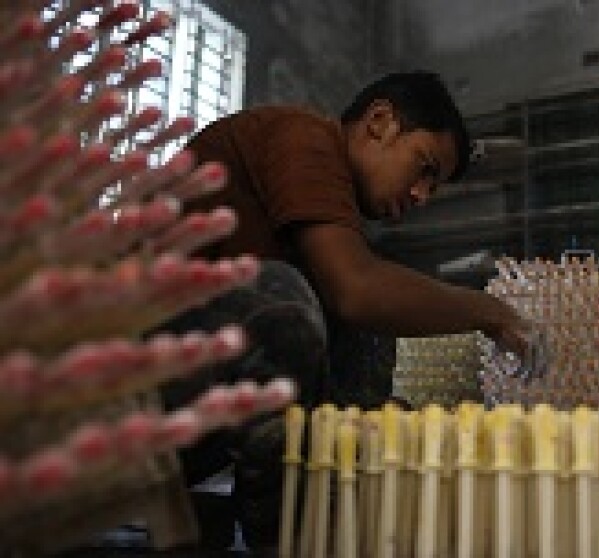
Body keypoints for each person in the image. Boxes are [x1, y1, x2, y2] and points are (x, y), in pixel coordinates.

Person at [158, 70, 529, 549]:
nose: (421, 196)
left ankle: (330, 502)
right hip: (138, 376)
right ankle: (281, 531)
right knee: (295, 294)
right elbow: (355, 289)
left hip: (203, 395)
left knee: (368, 323)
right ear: (380, 122)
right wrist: (488, 310)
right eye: (425, 168)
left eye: (432, 189)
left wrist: (374, 420)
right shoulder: (303, 137)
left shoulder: (334, 206)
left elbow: (360, 301)